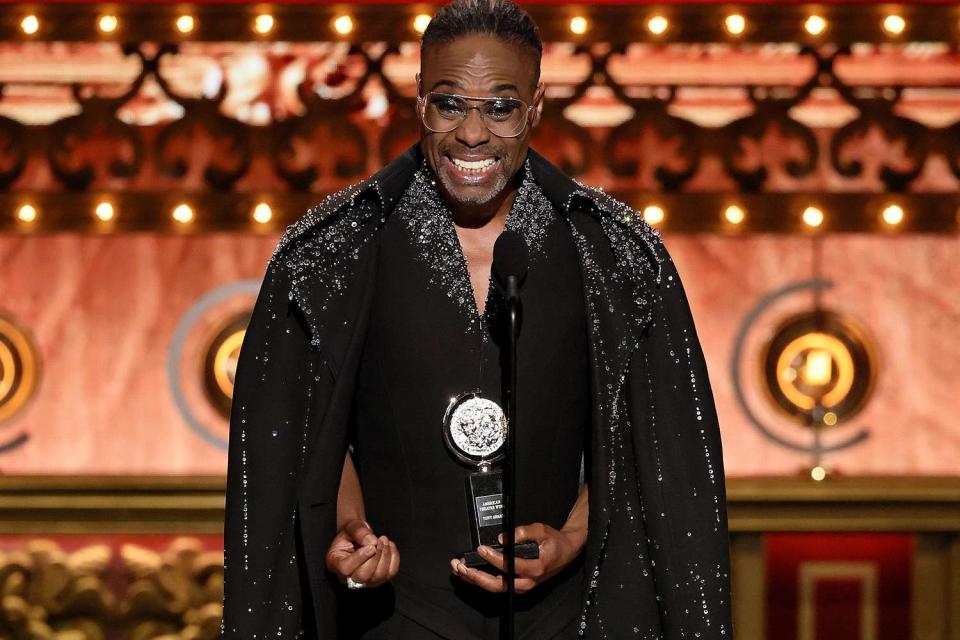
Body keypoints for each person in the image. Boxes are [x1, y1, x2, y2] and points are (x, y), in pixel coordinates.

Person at [220, 0, 733, 638]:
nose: (472, 134)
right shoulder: (332, 252)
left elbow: (658, 456)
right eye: (450, 103)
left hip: (563, 620)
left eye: (500, 107)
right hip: (396, 619)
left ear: (535, 107)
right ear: (418, 101)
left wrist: (573, 538)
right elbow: (306, 437)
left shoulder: (615, 254)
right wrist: (350, 533)